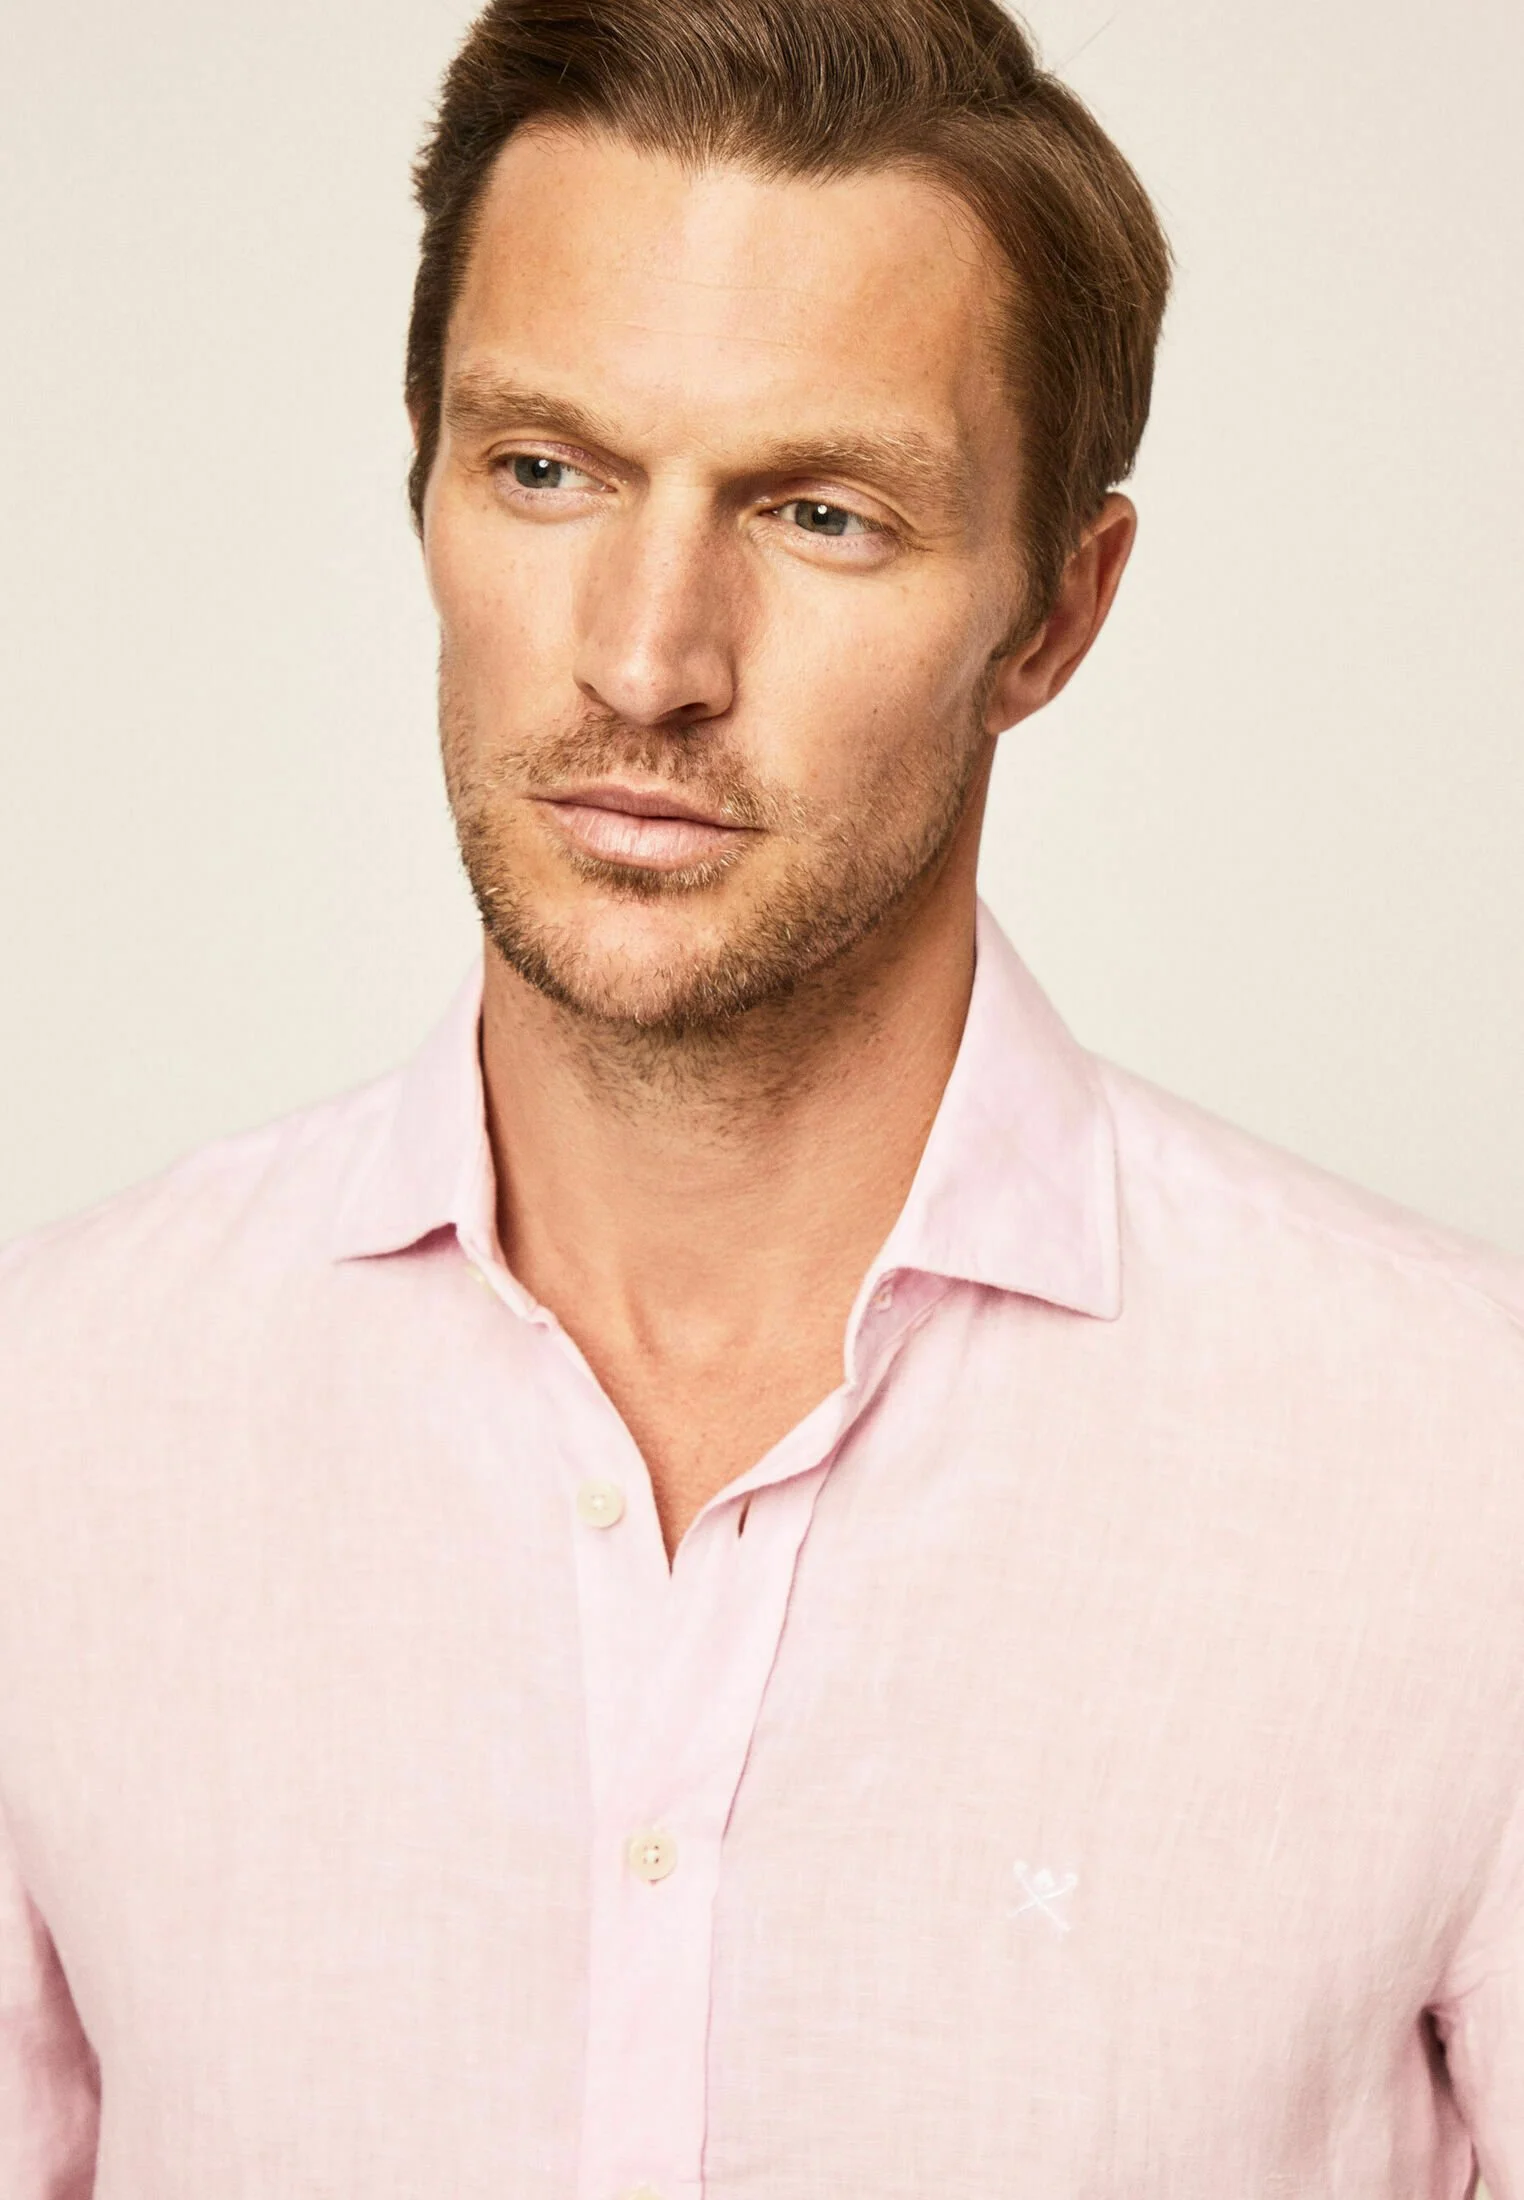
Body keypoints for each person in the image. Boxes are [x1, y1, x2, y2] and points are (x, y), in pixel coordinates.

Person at [2, 0, 1521, 2192]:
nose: (645, 658)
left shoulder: (1466, 1483)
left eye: (821, 512)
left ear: (1056, 613)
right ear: (423, 475)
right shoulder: (57, 1428)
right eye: (547, 469)